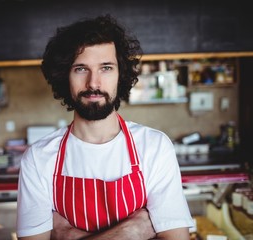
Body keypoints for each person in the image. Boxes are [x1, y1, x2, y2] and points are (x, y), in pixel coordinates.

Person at [16, 14, 194, 239]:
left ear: (121, 75)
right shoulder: (39, 158)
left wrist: (67, 234)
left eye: (106, 68)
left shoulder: (154, 147)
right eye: (81, 68)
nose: (93, 83)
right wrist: (132, 231)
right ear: (65, 76)